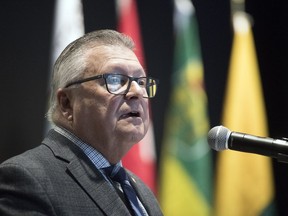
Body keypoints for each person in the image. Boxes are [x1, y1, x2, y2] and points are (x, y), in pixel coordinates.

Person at [0, 29, 162, 216]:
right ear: (67, 103)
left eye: (141, 82)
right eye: (116, 80)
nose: (136, 92)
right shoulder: (27, 179)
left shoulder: (142, 192)